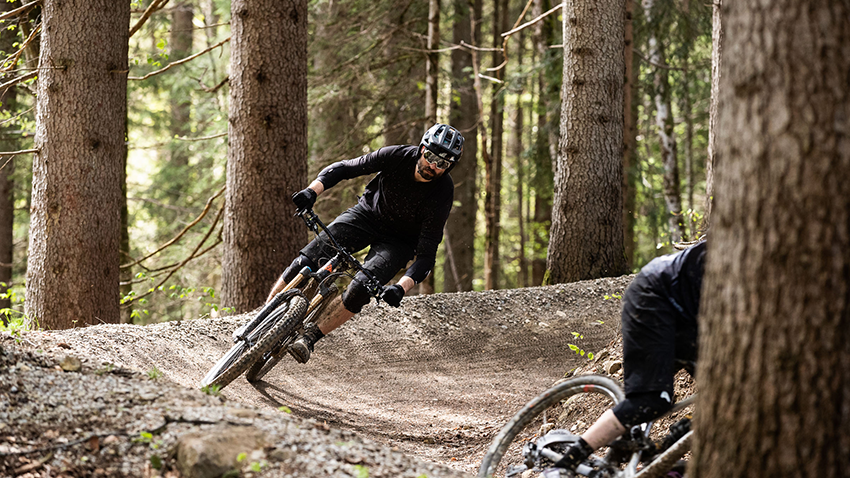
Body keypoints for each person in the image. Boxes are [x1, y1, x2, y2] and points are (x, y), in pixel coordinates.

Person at [266, 123, 464, 364]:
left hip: (398, 242)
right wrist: (312, 191)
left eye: (443, 163)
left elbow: (426, 255)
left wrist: (401, 287)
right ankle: (263, 315)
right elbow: (344, 168)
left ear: (450, 166)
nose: (433, 165)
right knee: (307, 260)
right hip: (367, 216)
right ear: (422, 149)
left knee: (361, 289)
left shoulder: (442, 192)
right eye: (431, 156)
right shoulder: (397, 155)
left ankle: (309, 338)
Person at [553, 239, 707, 473]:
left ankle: (659, 450)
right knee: (651, 401)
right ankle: (563, 466)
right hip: (657, 296)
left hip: (688, 318)